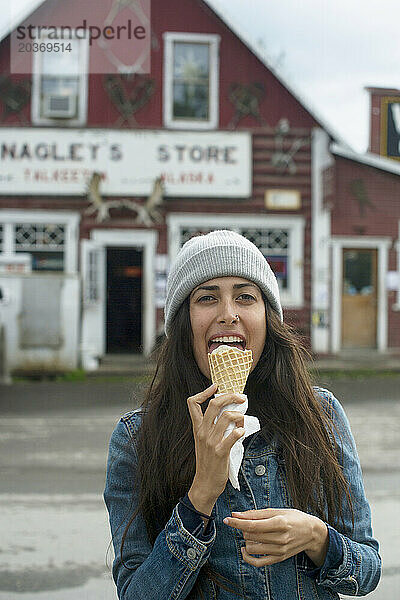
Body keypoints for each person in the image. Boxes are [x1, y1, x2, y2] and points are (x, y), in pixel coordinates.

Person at [104, 230, 381, 600]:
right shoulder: (137, 438)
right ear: (183, 323)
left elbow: (367, 571)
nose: (228, 314)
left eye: (245, 297)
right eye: (207, 298)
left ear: (267, 319)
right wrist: (201, 494)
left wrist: (317, 538)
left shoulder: (320, 415)